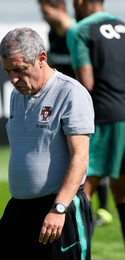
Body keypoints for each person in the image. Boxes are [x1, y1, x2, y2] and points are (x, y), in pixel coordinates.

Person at [0, 27, 94, 260]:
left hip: (58, 208)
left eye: (19, 70)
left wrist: (59, 209)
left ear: (41, 58)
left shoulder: (71, 93)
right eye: (8, 71)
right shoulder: (17, 95)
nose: (13, 79)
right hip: (18, 209)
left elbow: (80, 158)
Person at [38, 0, 111, 227]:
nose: (43, 15)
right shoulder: (53, 34)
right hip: (61, 104)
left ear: (59, 8)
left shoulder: (77, 33)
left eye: (45, 10)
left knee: (87, 156)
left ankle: (98, 209)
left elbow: (89, 74)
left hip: (83, 104)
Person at [67, 0, 125, 241]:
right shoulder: (122, 25)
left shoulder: (80, 30)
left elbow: (86, 83)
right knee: (121, 192)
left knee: (81, 187)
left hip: (103, 117)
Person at [37, 0, 75, 77]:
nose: (44, 18)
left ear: (61, 9)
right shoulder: (52, 34)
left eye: (46, 13)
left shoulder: (78, 33)